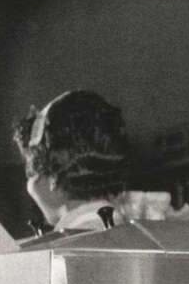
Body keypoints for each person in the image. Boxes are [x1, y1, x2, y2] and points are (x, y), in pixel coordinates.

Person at [13, 89, 130, 233]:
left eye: (31, 172)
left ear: (51, 179)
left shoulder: (58, 248)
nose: (30, 184)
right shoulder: (130, 235)